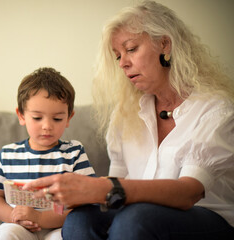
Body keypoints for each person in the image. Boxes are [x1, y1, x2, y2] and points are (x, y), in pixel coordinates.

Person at [23, 1, 234, 239]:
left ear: (165, 44)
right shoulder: (125, 114)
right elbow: (117, 183)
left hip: (206, 218)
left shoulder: (215, 110)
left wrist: (103, 188)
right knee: (80, 219)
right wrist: (80, 192)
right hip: (137, 216)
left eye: (131, 49)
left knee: (136, 219)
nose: (123, 62)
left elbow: (188, 193)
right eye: (118, 56)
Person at [0, 67, 96, 240]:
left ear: (68, 118)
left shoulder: (74, 152)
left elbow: (88, 200)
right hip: (20, 226)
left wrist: (41, 218)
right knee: (5, 234)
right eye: (37, 118)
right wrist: (13, 215)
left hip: (59, 227)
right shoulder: (7, 155)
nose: (47, 126)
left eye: (57, 118)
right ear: (21, 116)